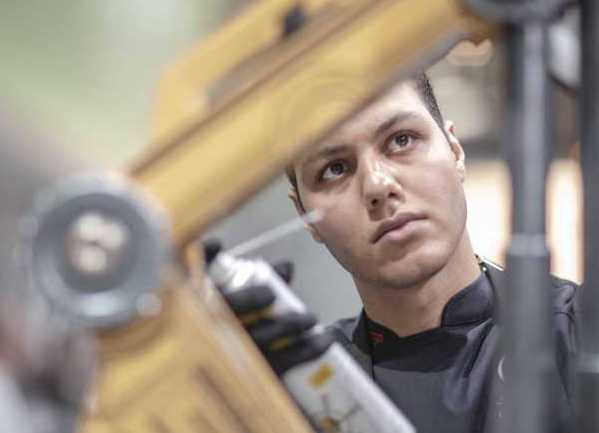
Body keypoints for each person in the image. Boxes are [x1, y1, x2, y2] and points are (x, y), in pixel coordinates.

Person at [218, 72, 579, 433]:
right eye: (334, 169)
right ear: (304, 216)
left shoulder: (580, 332)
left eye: (402, 140)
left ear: (455, 152)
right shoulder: (299, 390)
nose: (377, 185)